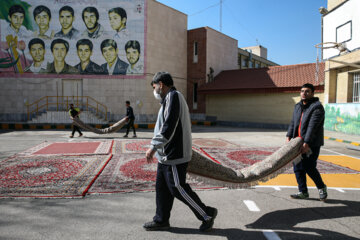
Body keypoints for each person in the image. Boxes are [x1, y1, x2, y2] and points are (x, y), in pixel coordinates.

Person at [143, 72, 217, 232]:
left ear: (161, 84)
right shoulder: (167, 100)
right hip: (165, 156)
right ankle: (161, 219)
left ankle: (206, 214)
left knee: (178, 187)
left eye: (154, 86)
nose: (154, 90)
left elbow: (169, 126)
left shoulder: (173, 96)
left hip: (174, 154)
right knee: (162, 189)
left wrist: (153, 146)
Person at [286, 83, 328, 201]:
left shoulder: (317, 107)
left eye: (307, 91)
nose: (304, 93)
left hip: (312, 144)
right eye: (302, 91)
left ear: (313, 93)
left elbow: (312, 127)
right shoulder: (298, 106)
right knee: (298, 167)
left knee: (309, 167)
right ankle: (303, 192)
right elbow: (293, 122)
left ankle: (321, 187)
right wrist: (289, 135)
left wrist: (307, 143)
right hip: (297, 143)